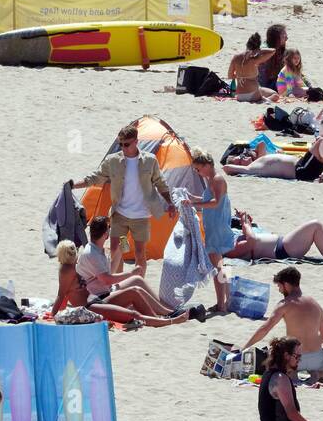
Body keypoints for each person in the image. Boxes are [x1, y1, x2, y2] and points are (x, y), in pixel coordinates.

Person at [72, 124, 176, 278]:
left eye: (126, 144)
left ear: (136, 141)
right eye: (120, 144)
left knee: (140, 253)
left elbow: (160, 183)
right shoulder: (113, 161)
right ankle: (118, 283)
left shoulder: (149, 160)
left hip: (141, 217)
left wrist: (170, 203)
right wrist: (73, 185)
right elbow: (95, 178)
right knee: (118, 249)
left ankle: (137, 283)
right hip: (120, 215)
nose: (123, 147)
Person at [53, 236, 203, 326]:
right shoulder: (70, 268)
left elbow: (66, 294)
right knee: (134, 311)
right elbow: (62, 294)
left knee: (136, 287)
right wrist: (55, 315)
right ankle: (168, 319)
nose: (75, 252)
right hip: (93, 303)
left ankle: (167, 313)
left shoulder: (93, 254)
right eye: (72, 251)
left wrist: (121, 245)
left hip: (99, 297)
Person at [241, 266, 323, 381]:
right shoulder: (315, 304)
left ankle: (293, 374)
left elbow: (265, 329)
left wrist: (245, 347)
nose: (279, 290)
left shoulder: (284, 304)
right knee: (319, 366)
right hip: (316, 358)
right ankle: (317, 373)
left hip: (295, 359)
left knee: (273, 361)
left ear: (286, 284)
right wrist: (311, 345)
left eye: (279, 286)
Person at [188, 149, 232, 313]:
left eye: (198, 169)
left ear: (207, 165)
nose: (197, 172)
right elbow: (208, 200)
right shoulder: (211, 179)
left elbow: (215, 202)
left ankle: (223, 303)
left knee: (217, 266)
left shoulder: (217, 179)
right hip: (213, 224)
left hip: (217, 225)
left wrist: (195, 205)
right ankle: (224, 302)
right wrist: (193, 198)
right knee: (220, 264)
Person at [255, 337, 322, 421]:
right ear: (286, 356)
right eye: (297, 356)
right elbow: (292, 415)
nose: (299, 360)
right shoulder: (281, 379)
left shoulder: (268, 374)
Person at [223, 126, 323, 184]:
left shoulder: (258, 161)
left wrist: (248, 154)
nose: (244, 157)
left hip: (303, 166)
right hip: (301, 171)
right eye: (241, 159)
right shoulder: (251, 168)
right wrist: (239, 168)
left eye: (242, 156)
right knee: (321, 142)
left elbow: (261, 144)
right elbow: (226, 168)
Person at [225, 212, 323, 263]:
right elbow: (251, 241)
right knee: (316, 225)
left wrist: (245, 221)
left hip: (283, 245)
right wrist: (245, 224)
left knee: (318, 226)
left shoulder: (229, 243)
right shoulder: (228, 249)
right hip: (283, 250)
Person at [229, 32, 276, 102]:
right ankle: (265, 100)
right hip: (253, 94)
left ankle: (264, 99)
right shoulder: (254, 60)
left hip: (240, 96)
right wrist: (260, 50)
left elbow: (230, 76)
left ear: (247, 44)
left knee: (260, 89)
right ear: (257, 47)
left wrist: (241, 75)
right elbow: (273, 51)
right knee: (275, 95)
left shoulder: (235, 58)